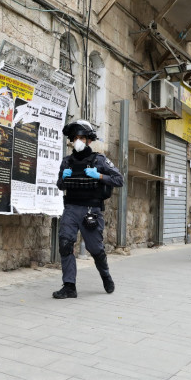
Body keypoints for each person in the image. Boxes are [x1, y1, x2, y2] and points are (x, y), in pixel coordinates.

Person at [53, 120, 123, 299]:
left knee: (95, 249)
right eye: (75, 138)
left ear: (89, 140)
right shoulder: (67, 161)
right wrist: (63, 177)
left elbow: (119, 179)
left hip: (91, 211)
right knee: (65, 245)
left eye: (82, 138)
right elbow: (60, 185)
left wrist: (99, 175)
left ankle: (105, 276)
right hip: (71, 209)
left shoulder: (99, 160)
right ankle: (69, 286)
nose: (78, 141)